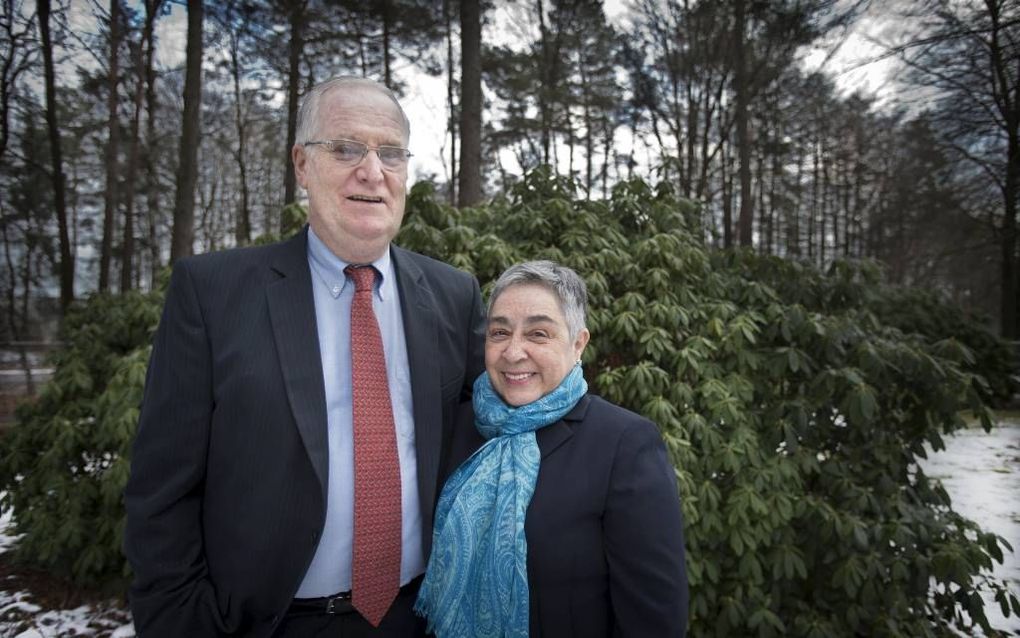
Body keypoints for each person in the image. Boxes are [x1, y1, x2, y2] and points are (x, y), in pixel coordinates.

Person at [124, 76, 485, 638]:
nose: (372, 170)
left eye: (390, 152)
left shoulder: (453, 294)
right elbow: (161, 490)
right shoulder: (214, 293)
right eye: (345, 148)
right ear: (301, 165)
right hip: (267, 622)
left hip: (418, 615)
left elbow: (499, 426)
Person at [415, 261, 689, 637]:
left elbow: (654, 618)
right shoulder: (457, 428)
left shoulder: (624, 445)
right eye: (499, 332)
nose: (513, 352)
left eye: (538, 334)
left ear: (579, 344)